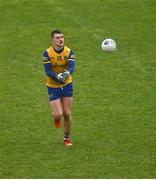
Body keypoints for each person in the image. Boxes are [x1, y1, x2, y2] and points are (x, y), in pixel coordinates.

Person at [43, 29, 75, 146]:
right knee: (58, 114)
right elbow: (47, 71)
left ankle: (66, 138)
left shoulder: (69, 52)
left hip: (67, 85)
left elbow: (72, 67)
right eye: (57, 38)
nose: (60, 39)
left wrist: (66, 74)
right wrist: (58, 77)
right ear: (52, 40)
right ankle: (56, 118)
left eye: (62, 37)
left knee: (67, 113)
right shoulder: (47, 53)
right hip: (53, 86)